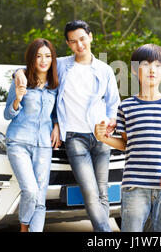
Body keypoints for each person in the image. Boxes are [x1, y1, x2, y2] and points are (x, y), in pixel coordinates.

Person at [14, 20, 120, 232]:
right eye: (73, 42)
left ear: (90, 37)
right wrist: (17, 72)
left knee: (102, 192)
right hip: (74, 137)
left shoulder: (105, 69)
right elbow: (35, 66)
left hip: (101, 136)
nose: (79, 45)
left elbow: (112, 103)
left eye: (82, 39)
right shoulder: (61, 65)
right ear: (68, 44)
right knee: (90, 192)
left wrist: (112, 121)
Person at [95, 44, 161, 232]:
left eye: (158, 65)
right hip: (134, 187)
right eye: (145, 64)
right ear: (136, 70)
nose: (152, 69)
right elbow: (126, 144)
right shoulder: (126, 107)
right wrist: (103, 138)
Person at [4, 38, 61, 232]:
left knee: (40, 197)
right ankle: (24, 226)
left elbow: (55, 112)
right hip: (18, 141)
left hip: (44, 144)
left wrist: (56, 124)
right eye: (38, 56)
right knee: (30, 190)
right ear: (32, 58)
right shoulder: (21, 80)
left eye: (48, 56)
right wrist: (18, 99)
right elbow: (7, 114)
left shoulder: (54, 84)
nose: (43, 60)